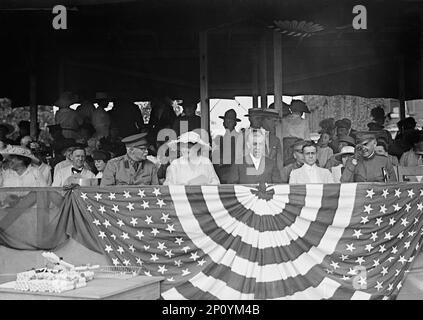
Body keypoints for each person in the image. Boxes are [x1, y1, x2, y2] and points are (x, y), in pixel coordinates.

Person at [212, 109, 241, 184]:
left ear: (235, 123)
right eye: (225, 121)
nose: (227, 123)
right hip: (222, 170)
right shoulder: (221, 138)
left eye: (230, 121)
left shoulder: (238, 137)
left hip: (234, 170)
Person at [282, 100, 311, 165]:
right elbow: (307, 138)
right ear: (301, 112)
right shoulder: (304, 122)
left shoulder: (283, 120)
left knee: (286, 165)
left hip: (285, 147)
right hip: (299, 147)